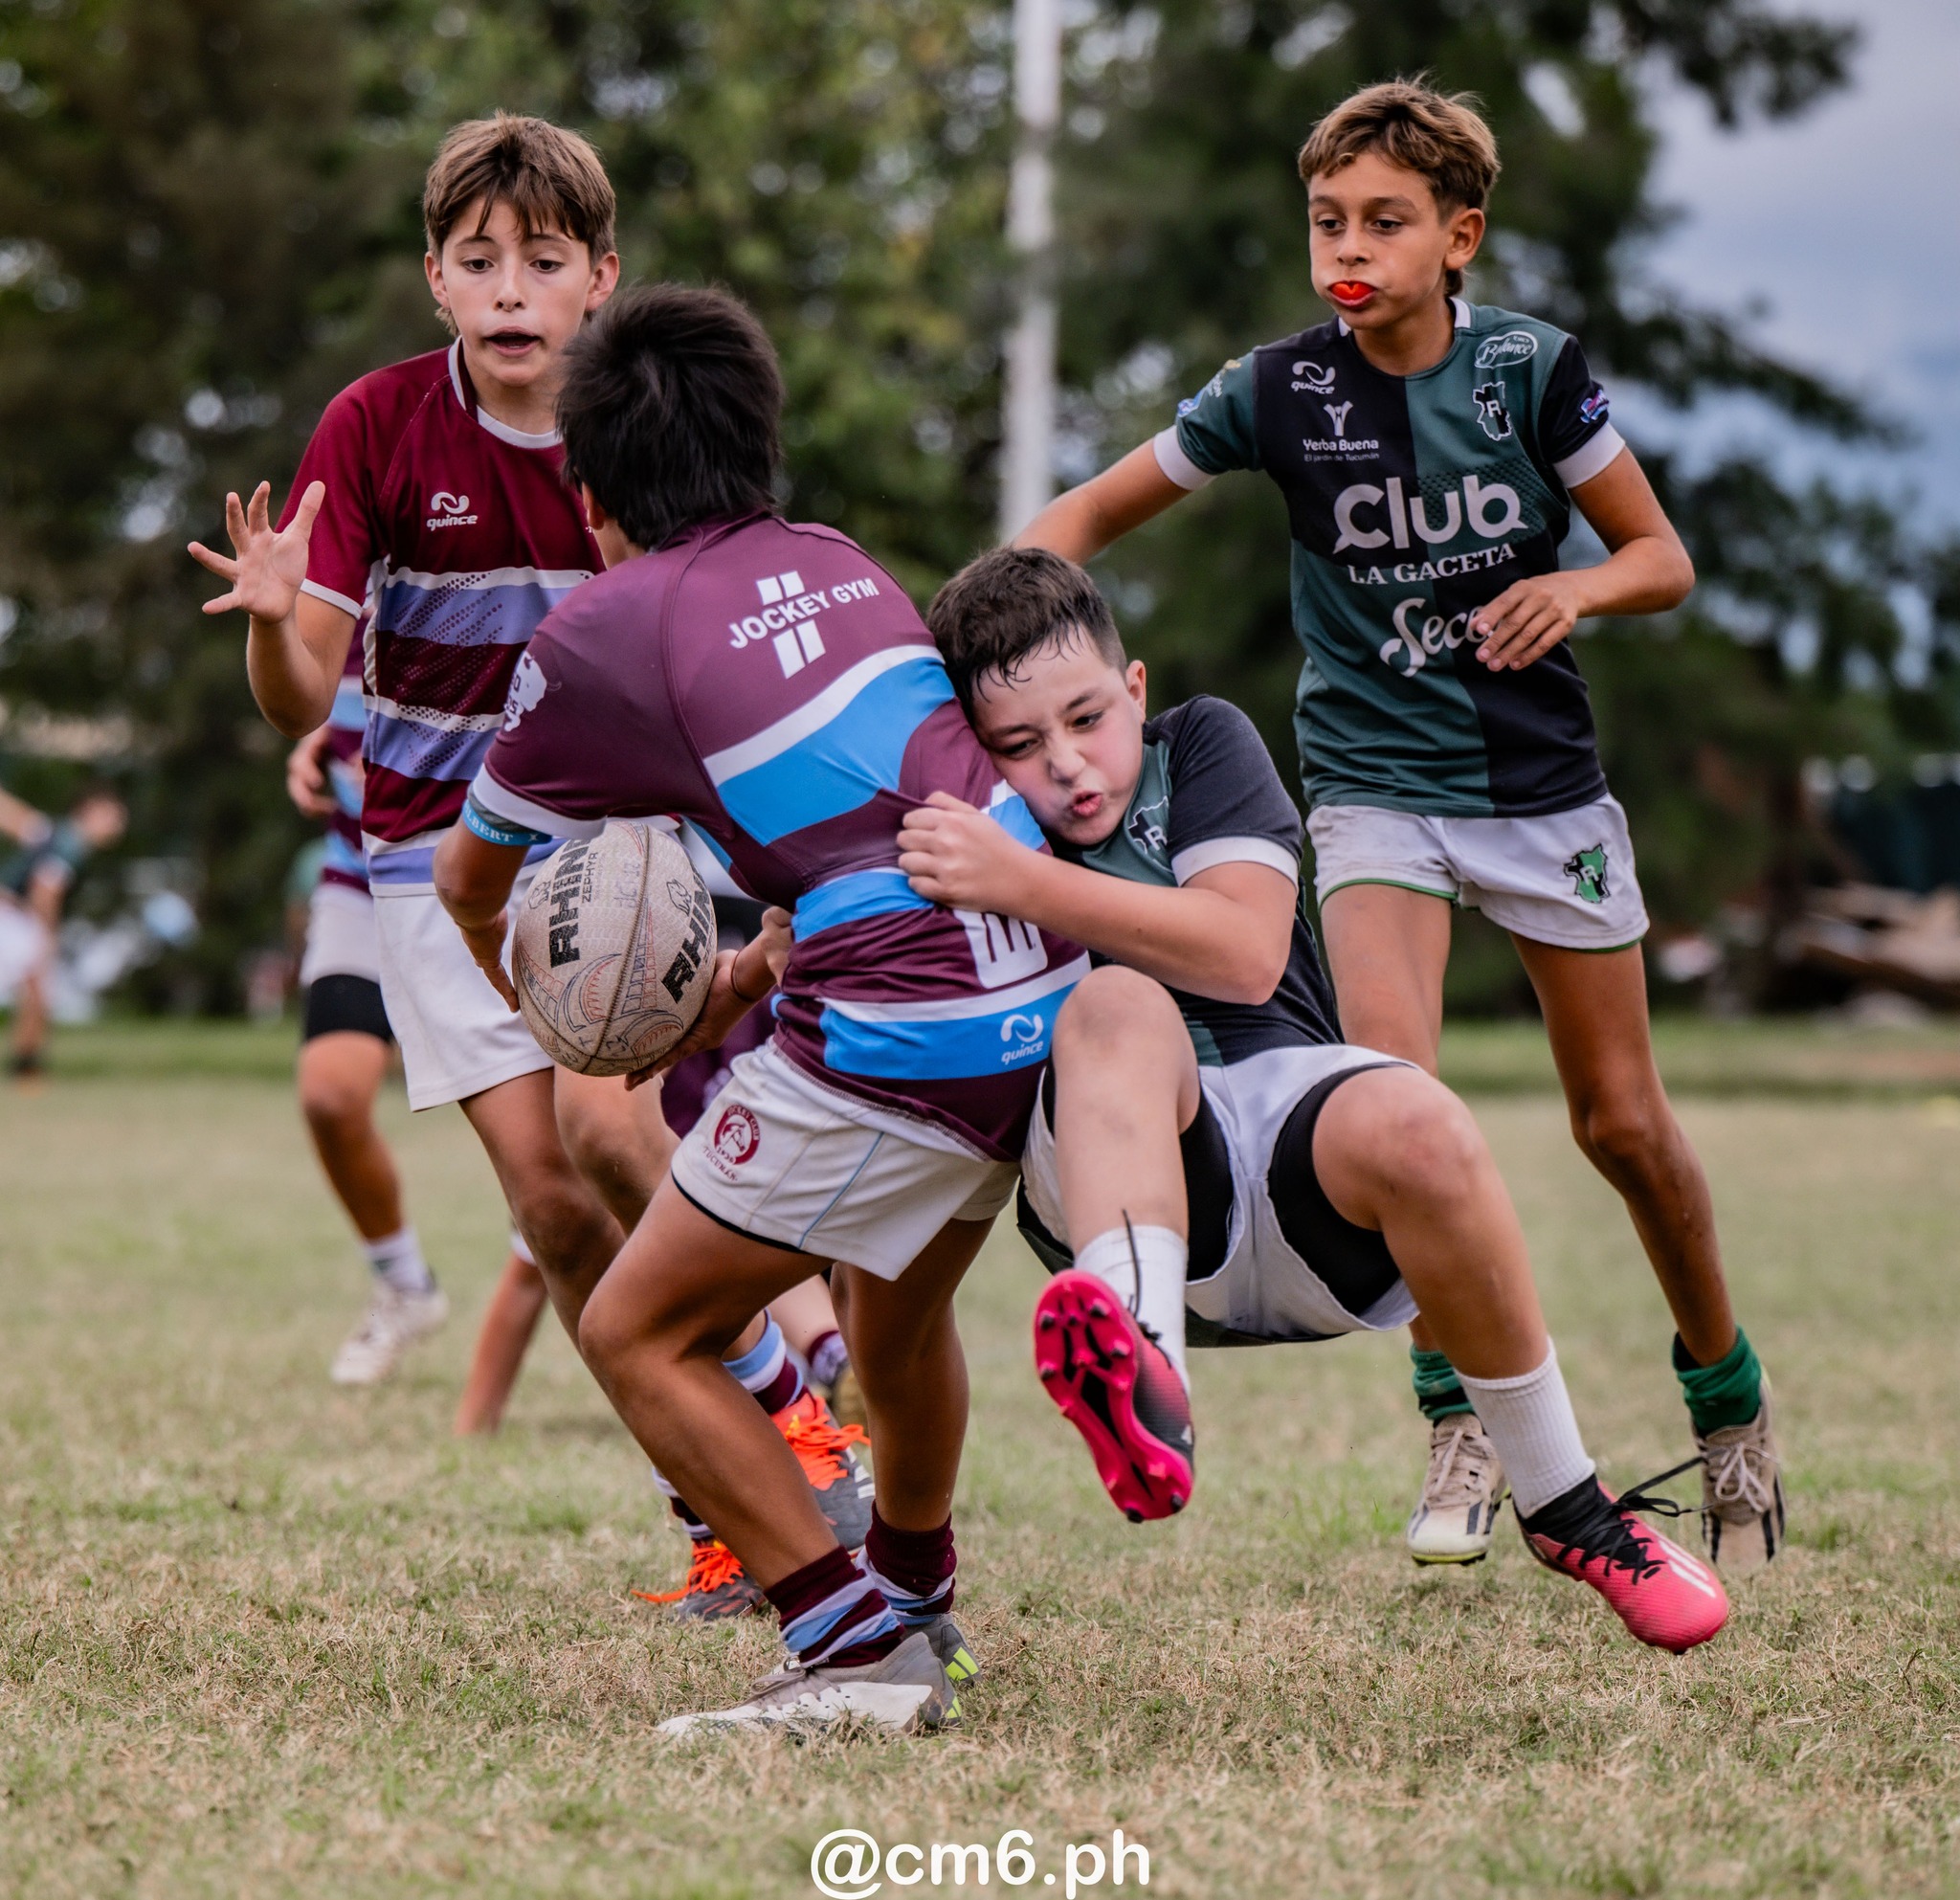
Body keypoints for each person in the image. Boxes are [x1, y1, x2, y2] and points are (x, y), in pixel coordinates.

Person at [1012, 79, 1783, 1576]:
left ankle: (1728, 1399)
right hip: (1371, 791)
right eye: (1326, 222)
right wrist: (966, 635)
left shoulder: (1532, 376)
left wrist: (1577, 588)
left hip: (1541, 788)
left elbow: (1662, 557)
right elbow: (1087, 518)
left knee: (1620, 1123)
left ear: (1459, 236)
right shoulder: (1274, 393)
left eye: (1384, 222)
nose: (1347, 248)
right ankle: (1464, 1423)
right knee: (1392, 1099)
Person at [189, 118, 867, 1570]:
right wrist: (270, 622)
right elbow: (305, 689)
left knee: (611, 1126)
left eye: (542, 261)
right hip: (435, 849)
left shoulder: (637, 430)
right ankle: (721, 1509)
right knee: (556, 1205)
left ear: (598, 278)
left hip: (620, 846)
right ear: (436, 277)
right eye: (479, 260)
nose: (511, 290)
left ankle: (806, 1438)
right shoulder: (371, 428)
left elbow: (710, 618)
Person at [434, 283, 1079, 1732]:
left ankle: (852, 1648)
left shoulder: (601, 628)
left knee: (634, 1329)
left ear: (586, 488)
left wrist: (566, 1019)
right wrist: (730, 973)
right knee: (902, 1320)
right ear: (760, 442)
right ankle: (917, 1592)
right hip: (1042, 994)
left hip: (896, 1030)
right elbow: (835, 827)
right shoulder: (842, 561)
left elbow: (471, 879)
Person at [900, 546, 1727, 1653]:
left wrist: (1025, 881)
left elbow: (1245, 954)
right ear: (977, 752)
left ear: (1134, 691)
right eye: (1018, 745)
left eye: (1086, 718)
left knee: (1421, 1119)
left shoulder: (1195, 742)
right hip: (1128, 1187)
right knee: (1114, 1012)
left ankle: (1568, 1504)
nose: (1068, 765)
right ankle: (1134, 1369)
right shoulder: (961, 823)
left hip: (1298, 1158)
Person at [282, 655, 454, 1381]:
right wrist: (313, 733)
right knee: (330, 1094)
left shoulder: (477, 581)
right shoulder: (337, 585)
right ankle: (405, 1285)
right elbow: (301, 685)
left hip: (488, 881)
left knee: (564, 1151)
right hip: (362, 882)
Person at [0, 783, 126, 1077]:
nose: (119, 825)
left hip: (13, 915)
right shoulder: (70, 844)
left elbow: (14, 816)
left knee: (35, 990)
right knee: (39, 990)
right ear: (90, 811)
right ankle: (27, 1066)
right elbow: (45, 891)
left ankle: (26, 1063)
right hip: (13, 916)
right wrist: (47, 934)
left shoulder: (51, 832)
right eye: (113, 816)